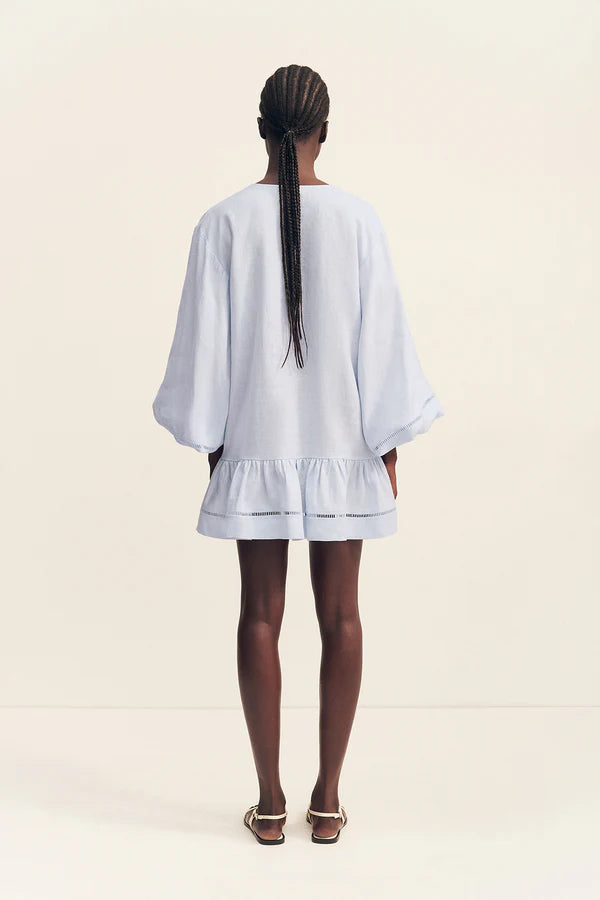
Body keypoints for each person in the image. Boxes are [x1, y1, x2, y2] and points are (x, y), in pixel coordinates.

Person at [152, 64, 444, 845]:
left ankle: (270, 803)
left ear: (261, 129)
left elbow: (203, 351)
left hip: (254, 449)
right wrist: (387, 444)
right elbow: (383, 344)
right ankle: (329, 801)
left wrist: (215, 442)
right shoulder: (358, 221)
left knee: (258, 614)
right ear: (325, 130)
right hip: (344, 449)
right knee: (343, 615)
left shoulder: (220, 224)